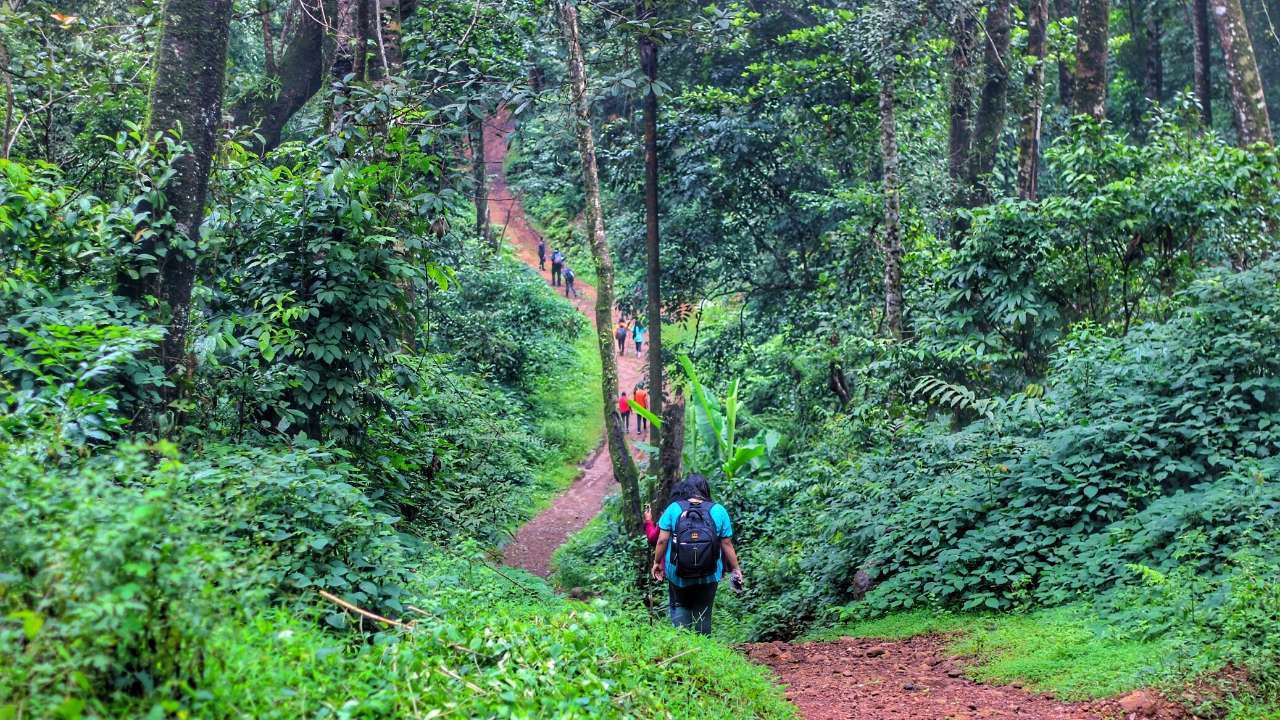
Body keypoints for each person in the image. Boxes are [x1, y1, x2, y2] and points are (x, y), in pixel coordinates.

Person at [650, 475, 743, 635]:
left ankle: (683, 648)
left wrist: (657, 563)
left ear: (686, 489)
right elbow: (726, 544)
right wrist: (736, 569)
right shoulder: (718, 510)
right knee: (704, 613)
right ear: (706, 490)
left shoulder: (674, 509)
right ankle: (703, 650)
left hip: (677, 573)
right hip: (709, 573)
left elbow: (662, 540)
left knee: (680, 606)